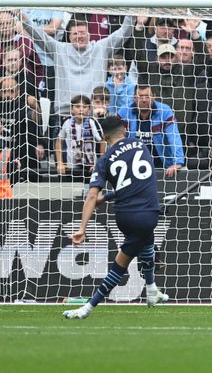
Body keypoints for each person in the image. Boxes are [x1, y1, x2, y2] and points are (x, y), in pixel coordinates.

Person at [63, 116, 169, 319]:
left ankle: (152, 289)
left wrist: (82, 227)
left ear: (103, 136)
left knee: (147, 243)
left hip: (126, 216)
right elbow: (137, 180)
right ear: (125, 129)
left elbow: (92, 195)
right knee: (120, 265)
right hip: (147, 213)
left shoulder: (104, 160)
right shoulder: (141, 145)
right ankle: (87, 308)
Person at [116, 84, 185, 178]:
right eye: (140, 97)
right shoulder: (124, 112)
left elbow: (174, 137)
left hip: (161, 164)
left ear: (154, 97)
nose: (144, 100)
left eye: (147, 96)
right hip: (131, 165)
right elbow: (114, 138)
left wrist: (178, 162)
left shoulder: (165, 111)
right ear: (134, 98)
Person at [55, 95, 103, 180]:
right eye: (77, 106)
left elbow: (103, 142)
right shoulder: (67, 123)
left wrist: (99, 163)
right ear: (71, 109)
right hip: (72, 167)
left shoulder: (93, 123)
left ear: (89, 109)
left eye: (85, 107)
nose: (81, 110)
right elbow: (59, 141)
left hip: (91, 168)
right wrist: (60, 162)